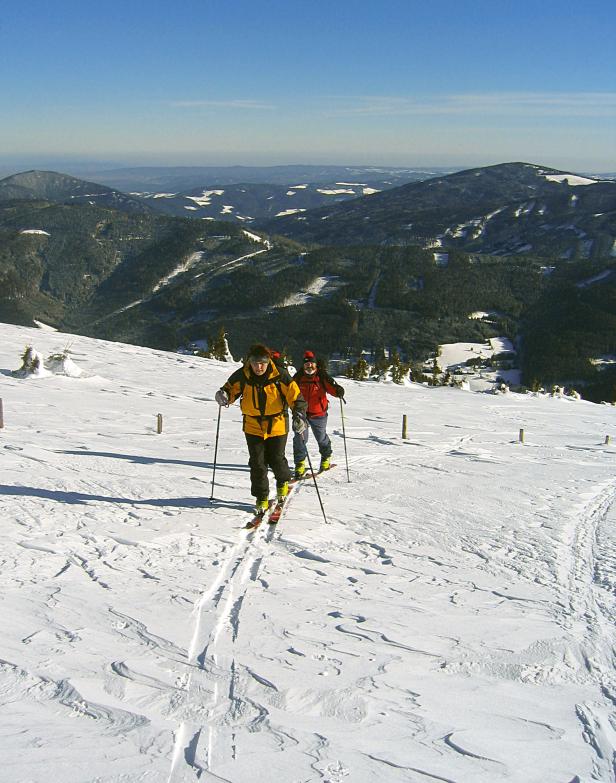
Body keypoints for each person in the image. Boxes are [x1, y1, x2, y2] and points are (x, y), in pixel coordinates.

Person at [215, 343, 307, 513]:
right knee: (257, 463)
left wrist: (299, 414)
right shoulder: (243, 375)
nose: (259, 367)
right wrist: (224, 395)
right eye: (255, 363)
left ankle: (282, 482)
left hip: (277, 424)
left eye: (262, 363)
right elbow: (229, 390)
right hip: (252, 425)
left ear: (268, 361)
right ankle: (261, 497)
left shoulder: (280, 375)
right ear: (249, 361)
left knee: (276, 459)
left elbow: (295, 397)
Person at [292, 350, 345, 478]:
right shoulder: (298, 378)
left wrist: (338, 391)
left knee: (320, 437)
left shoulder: (321, 377)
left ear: (315, 365)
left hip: (318, 413)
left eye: (311, 364)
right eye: (306, 365)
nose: (309, 367)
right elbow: (290, 391)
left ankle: (326, 457)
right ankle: (300, 463)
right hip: (301, 413)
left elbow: (332, 388)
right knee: (300, 438)